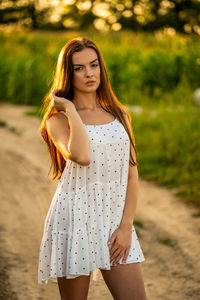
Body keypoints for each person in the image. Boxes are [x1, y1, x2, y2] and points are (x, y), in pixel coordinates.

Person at [38, 37, 147, 300]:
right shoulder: (58, 121)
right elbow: (82, 156)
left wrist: (125, 226)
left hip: (114, 222)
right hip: (74, 220)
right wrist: (71, 109)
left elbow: (131, 173)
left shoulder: (119, 114)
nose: (89, 73)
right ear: (68, 73)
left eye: (94, 65)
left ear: (101, 68)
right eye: (79, 68)